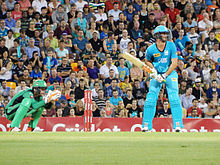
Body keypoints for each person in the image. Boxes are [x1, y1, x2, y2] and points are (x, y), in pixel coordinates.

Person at [142, 25, 184, 132]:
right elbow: (147, 61)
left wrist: (164, 75)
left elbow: (174, 63)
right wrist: (154, 71)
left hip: (170, 74)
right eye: (163, 33)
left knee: (174, 98)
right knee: (150, 99)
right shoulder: (151, 49)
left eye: (166, 33)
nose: (165, 35)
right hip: (156, 74)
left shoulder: (171, 45)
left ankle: (178, 126)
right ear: (157, 35)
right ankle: (146, 126)